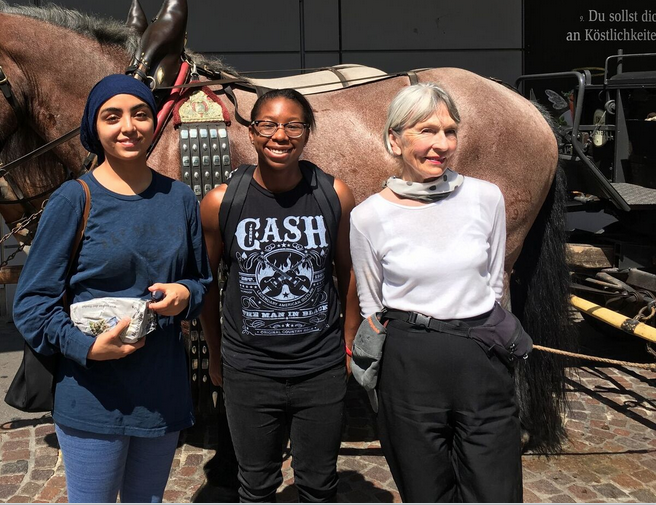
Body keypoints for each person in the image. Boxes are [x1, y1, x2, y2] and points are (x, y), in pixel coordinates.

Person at [13, 74, 212, 504]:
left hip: (161, 389)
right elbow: (31, 305)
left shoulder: (179, 199)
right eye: (112, 116)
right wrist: (85, 348)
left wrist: (185, 296)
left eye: (140, 114)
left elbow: (202, 282)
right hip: (92, 395)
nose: (128, 127)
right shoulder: (73, 200)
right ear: (94, 128)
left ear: (153, 123)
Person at [348, 83, 522, 502]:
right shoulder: (368, 216)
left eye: (449, 131)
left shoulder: (486, 198)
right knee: (426, 490)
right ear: (394, 139)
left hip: (481, 356)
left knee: (495, 491)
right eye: (426, 130)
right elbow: (373, 303)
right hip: (410, 365)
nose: (441, 144)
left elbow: (495, 281)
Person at [200, 88, 356, 503]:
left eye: (293, 125)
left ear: (307, 133)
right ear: (251, 133)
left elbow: (349, 269)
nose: (279, 135)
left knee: (320, 482)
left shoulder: (333, 194)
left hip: (319, 366)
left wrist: (349, 341)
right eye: (267, 124)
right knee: (255, 484)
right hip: (249, 369)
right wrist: (216, 355)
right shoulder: (221, 202)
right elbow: (207, 284)